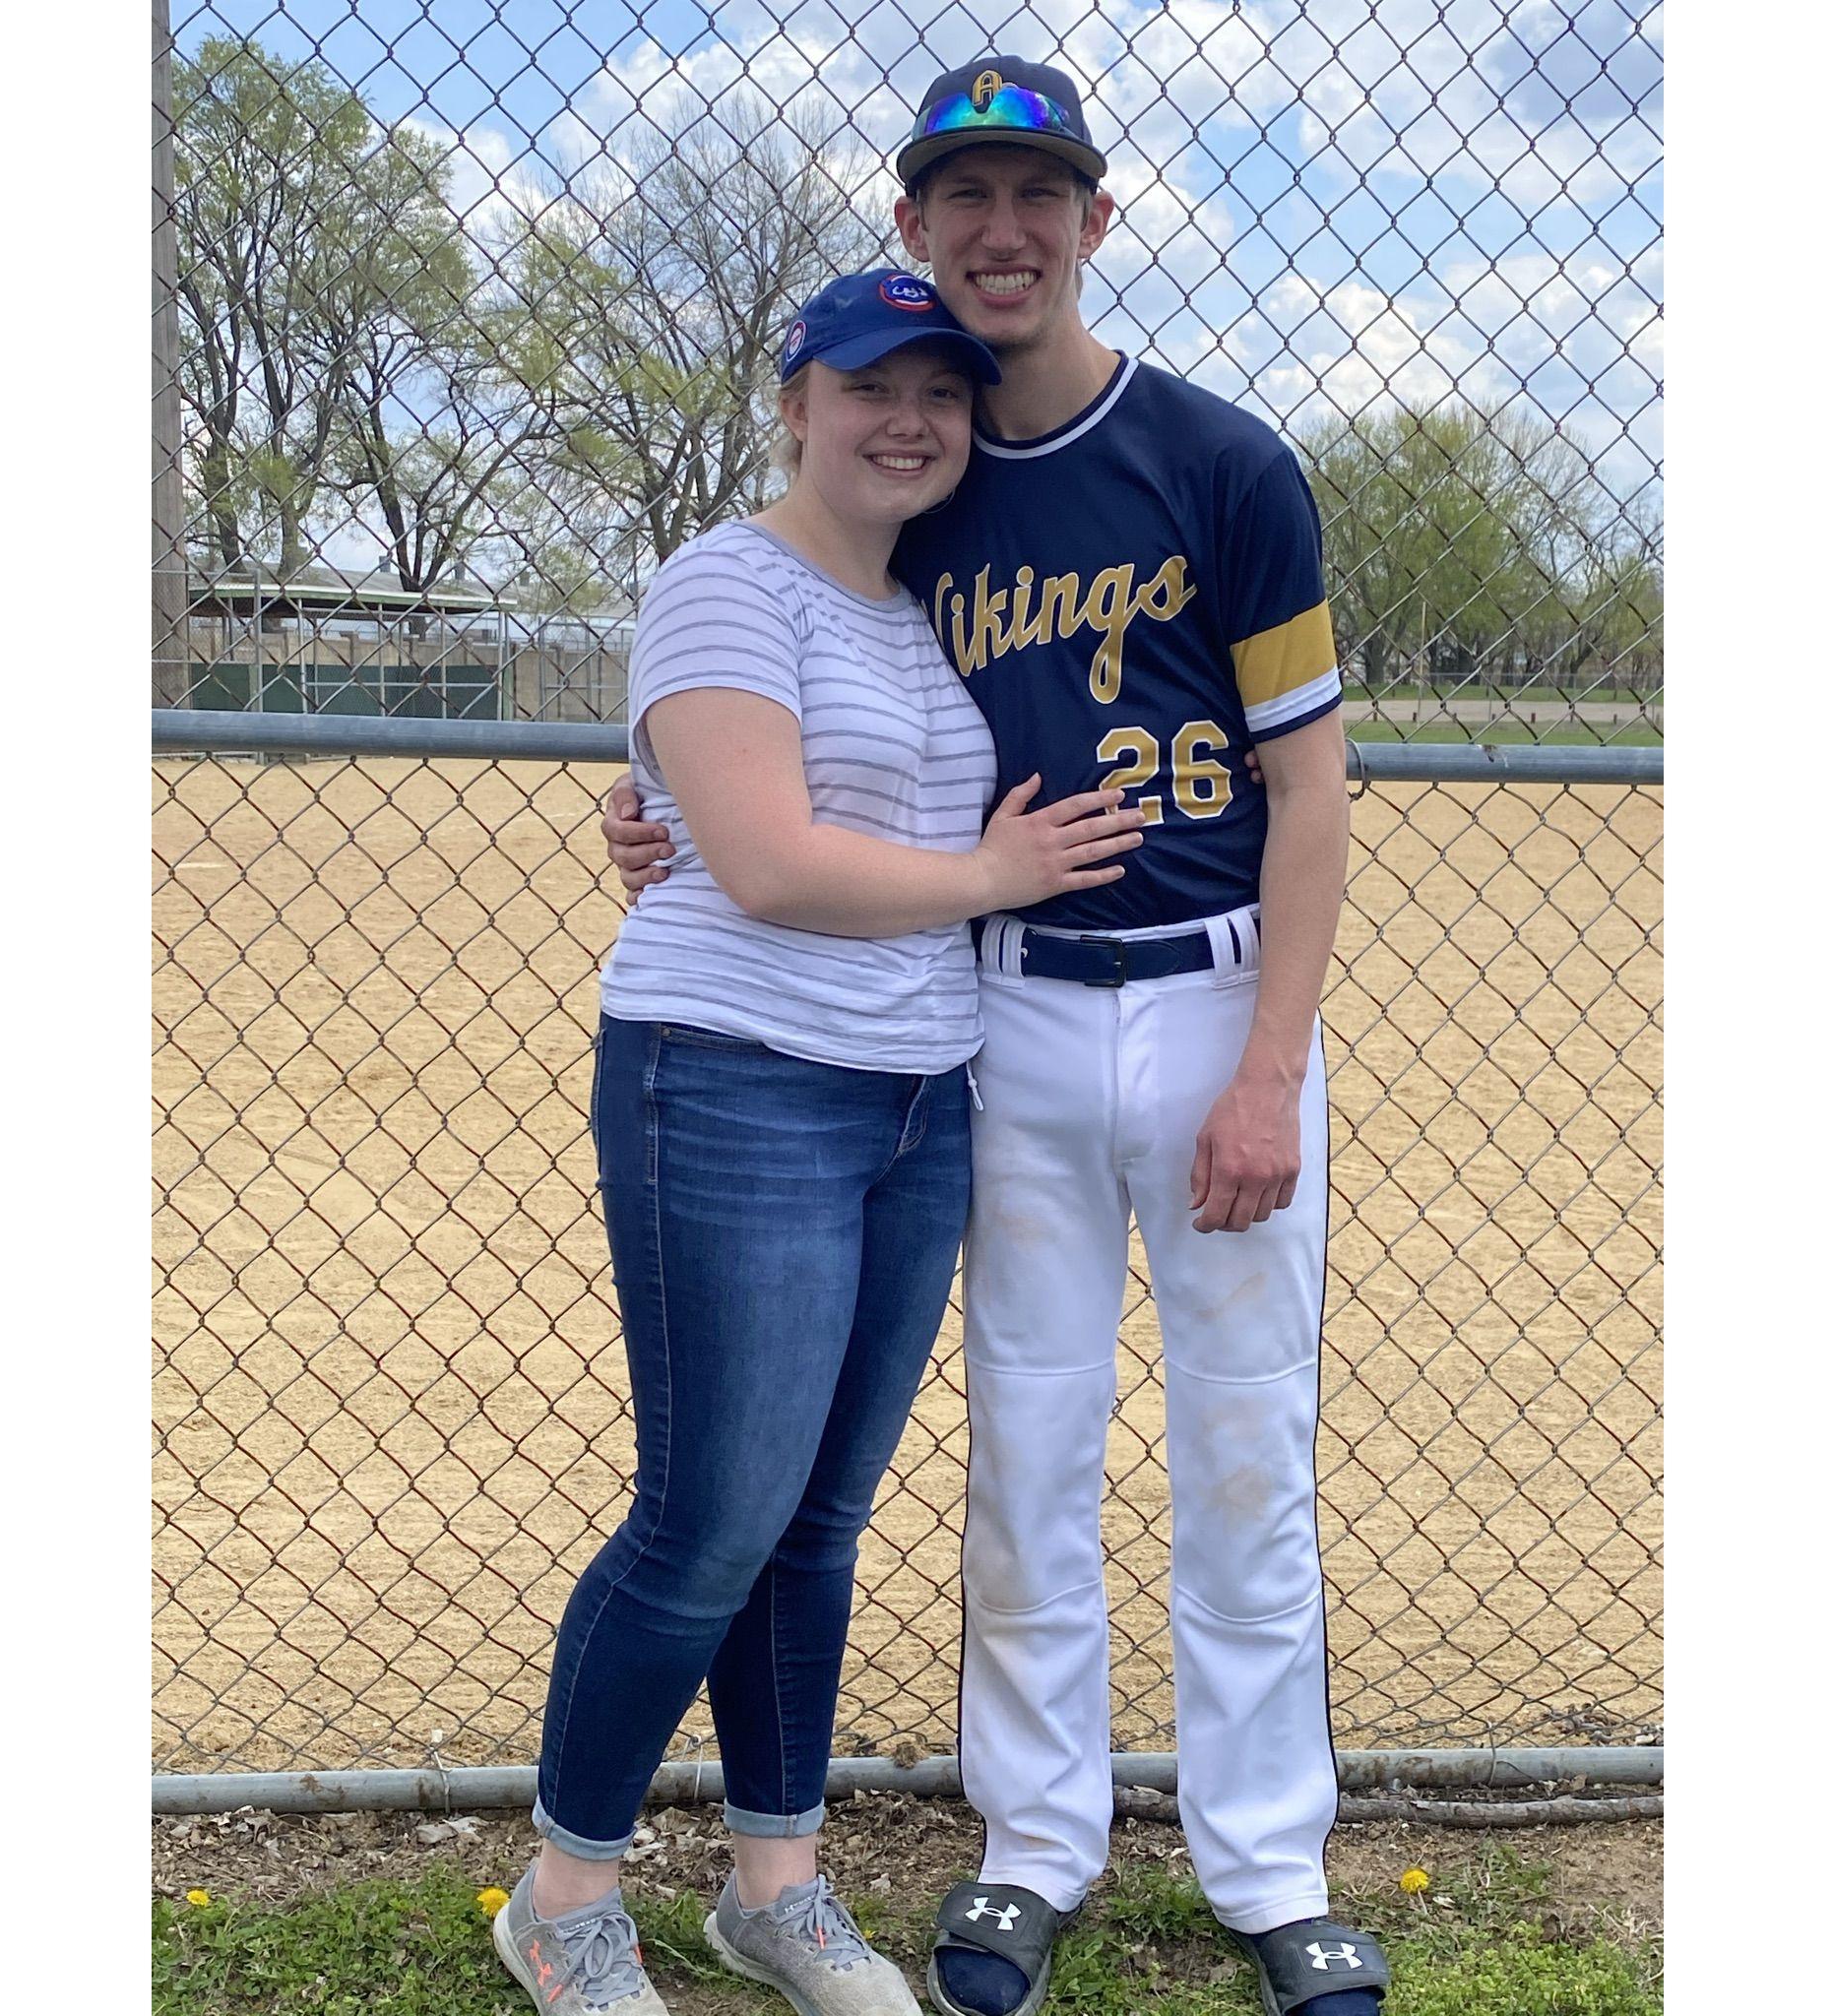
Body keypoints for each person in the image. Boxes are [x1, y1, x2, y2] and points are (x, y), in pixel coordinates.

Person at [602, 57, 1393, 2016]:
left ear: (1096, 223)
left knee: (1239, 1447)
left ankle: (1266, 1859)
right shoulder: (920, 474)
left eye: (1038, 193)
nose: (1001, 230)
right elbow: (790, 701)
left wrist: (1268, 1064)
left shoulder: (1221, 462)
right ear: (913, 230)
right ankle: (1032, 1844)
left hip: (1211, 989)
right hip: (1003, 1016)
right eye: (962, 196)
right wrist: (660, 806)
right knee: (1027, 1448)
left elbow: (1313, 791)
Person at [492, 269, 1146, 2016]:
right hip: (733, 1079)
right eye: (869, 386)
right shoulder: (726, 581)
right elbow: (771, 864)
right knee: (710, 1513)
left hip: (919, 1097)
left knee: (821, 1519)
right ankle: (562, 1897)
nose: (908, 418)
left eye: (940, 388)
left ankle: (774, 1882)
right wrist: (995, 878)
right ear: (797, 400)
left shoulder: (937, 601)